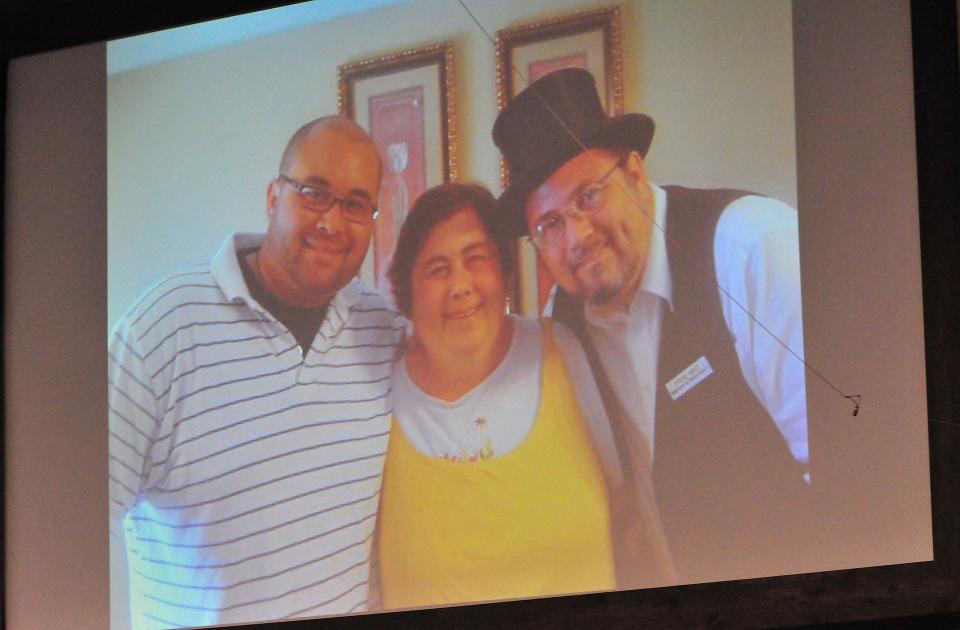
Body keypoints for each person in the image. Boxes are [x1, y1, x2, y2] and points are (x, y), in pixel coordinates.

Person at [492, 68, 811, 583]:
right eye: (548, 225)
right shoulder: (565, 324)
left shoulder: (753, 249)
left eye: (588, 197)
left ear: (636, 175)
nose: (575, 238)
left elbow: (848, 470)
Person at [108, 116, 403, 628]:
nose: (332, 222)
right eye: (314, 192)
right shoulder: (159, 331)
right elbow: (61, 535)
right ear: (273, 197)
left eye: (356, 204)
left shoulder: (382, 329)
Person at [375, 182, 676, 610]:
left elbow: (633, 507)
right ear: (407, 289)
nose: (460, 285)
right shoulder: (379, 398)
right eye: (437, 269)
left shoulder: (565, 353)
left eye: (475, 259)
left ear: (504, 270)